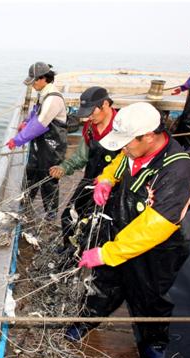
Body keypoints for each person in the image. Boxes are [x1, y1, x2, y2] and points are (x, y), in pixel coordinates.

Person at [66, 102, 190, 358]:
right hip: (121, 228)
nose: (123, 147)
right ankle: (86, 321)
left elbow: (154, 227)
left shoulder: (178, 171)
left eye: (126, 142)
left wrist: (107, 252)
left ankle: (153, 342)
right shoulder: (133, 149)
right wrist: (105, 179)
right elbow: (118, 162)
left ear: (148, 135)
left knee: (149, 295)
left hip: (159, 248)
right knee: (104, 282)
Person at [49, 87, 120, 253]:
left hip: (113, 188)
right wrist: (64, 167)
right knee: (68, 216)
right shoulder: (89, 126)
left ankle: (88, 255)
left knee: (98, 226)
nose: (89, 116)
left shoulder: (121, 127)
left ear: (105, 104)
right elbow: (81, 156)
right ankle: (69, 250)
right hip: (89, 181)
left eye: (91, 111)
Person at [7, 62, 67, 218]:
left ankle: (51, 213)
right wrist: (26, 122)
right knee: (31, 173)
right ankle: (24, 204)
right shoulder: (44, 93)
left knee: (48, 178)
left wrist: (17, 140)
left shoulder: (53, 98)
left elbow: (40, 124)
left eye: (34, 81)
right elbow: (36, 114)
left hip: (52, 145)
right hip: (40, 143)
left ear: (43, 79)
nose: (32, 84)